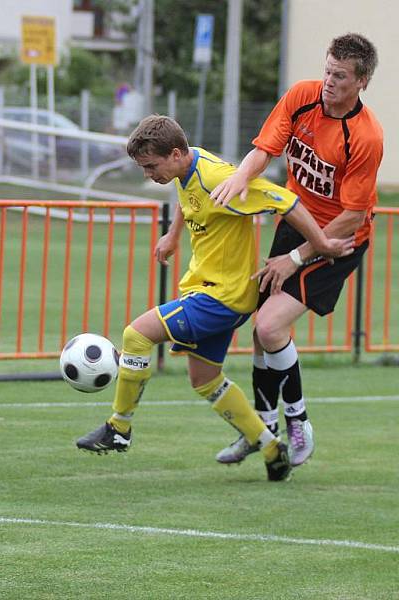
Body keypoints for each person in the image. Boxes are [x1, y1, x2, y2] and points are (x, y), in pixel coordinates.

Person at [75, 115, 354, 482]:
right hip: (210, 291)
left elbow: (284, 201)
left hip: (221, 297)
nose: (148, 174)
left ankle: (119, 428)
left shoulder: (220, 177)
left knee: (135, 336)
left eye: (151, 166)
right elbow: (187, 196)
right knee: (204, 379)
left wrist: (319, 245)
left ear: (175, 153)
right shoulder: (188, 166)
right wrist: (174, 236)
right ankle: (272, 451)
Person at [209, 33, 382, 467]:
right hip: (296, 222)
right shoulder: (303, 97)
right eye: (327, 70)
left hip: (339, 240)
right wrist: (240, 178)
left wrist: (297, 257)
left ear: (361, 81)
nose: (328, 81)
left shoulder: (366, 137)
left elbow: (353, 215)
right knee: (262, 336)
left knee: (269, 328)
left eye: (339, 76)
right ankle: (262, 432)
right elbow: (264, 149)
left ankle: (298, 420)